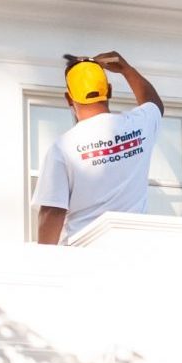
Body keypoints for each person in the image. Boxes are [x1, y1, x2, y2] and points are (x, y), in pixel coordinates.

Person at [33, 52, 163, 244]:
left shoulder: (63, 148)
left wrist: (44, 264)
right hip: (134, 251)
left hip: (84, 256)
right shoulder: (139, 125)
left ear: (69, 98)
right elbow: (154, 104)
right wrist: (127, 70)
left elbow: (52, 212)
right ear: (108, 90)